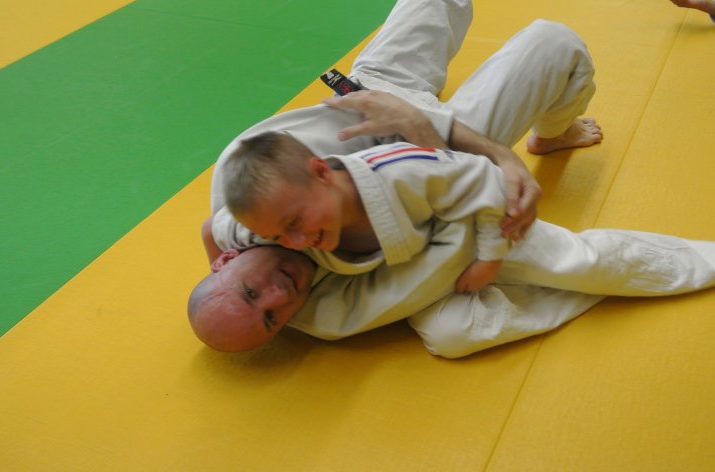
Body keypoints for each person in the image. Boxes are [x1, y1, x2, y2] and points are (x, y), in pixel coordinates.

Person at [190, 0, 610, 357]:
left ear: (225, 259)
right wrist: (443, 137)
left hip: (373, 95)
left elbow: (213, 228)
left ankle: (436, 104)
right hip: (447, 157)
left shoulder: (248, 187)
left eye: (250, 291)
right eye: (272, 319)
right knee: (556, 42)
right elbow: (440, 218)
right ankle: (554, 133)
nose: (280, 296)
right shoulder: (330, 312)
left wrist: (409, 116)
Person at [215, 131, 715, 356]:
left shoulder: (400, 170)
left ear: (322, 172)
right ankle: (579, 292)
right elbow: (214, 230)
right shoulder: (265, 226)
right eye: (279, 236)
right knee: (453, 337)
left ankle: (698, 261)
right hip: (429, 273)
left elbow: (485, 181)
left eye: (296, 223)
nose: (296, 242)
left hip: (484, 227)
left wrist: (491, 257)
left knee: (583, 264)